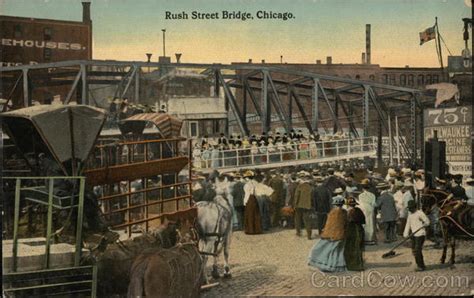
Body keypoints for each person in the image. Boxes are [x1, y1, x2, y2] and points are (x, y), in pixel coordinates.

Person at [308, 196, 347, 272]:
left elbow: (329, 224)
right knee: (337, 251)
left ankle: (327, 264)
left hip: (331, 234)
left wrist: (325, 231)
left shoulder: (333, 212)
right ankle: (337, 265)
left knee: (324, 249)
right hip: (341, 234)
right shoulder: (344, 212)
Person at [404, 200, 430, 271]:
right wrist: (405, 234)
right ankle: (419, 264)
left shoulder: (420, 213)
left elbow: (427, 221)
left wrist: (424, 224)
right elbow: (407, 225)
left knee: (418, 250)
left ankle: (421, 266)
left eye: (411, 208)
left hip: (421, 234)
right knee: (414, 251)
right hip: (414, 235)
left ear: (414, 207)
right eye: (409, 208)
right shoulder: (410, 215)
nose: (410, 209)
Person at [344, 197, 366, 271]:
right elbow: (363, 221)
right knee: (358, 247)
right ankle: (359, 265)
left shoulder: (347, 212)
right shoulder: (359, 211)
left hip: (351, 231)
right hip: (359, 230)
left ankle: (352, 265)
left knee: (351, 247)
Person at [291, 172, 314, 239]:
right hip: (307, 205)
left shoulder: (299, 186)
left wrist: (295, 205)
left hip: (299, 205)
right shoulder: (310, 187)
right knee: (307, 220)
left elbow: (296, 196)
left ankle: (298, 232)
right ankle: (309, 235)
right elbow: (312, 196)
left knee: (297, 219)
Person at [358, 179, 376, 245]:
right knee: (370, 223)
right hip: (370, 209)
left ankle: (364, 238)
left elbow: (360, 204)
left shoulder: (360, 195)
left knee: (364, 224)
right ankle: (370, 239)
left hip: (363, 209)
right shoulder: (372, 195)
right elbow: (373, 204)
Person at [243, 170, 262, 234]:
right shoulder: (255, 183)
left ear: (247, 177)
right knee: (255, 214)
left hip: (249, 199)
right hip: (254, 199)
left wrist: (245, 201)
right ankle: (257, 229)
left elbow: (247, 194)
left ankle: (250, 230)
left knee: (249, 214)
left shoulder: (247, 185)